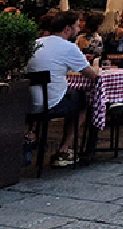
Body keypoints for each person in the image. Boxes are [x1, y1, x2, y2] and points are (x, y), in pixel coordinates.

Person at [25, 11, 98, 168]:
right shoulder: (68, 47)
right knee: (84, 100)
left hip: (27, 104)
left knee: (72, 95)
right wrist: (97, 67)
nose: (79, 30)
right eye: (77, 26)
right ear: (67, 29)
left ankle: (30, 135)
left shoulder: (35, 43)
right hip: (50, 104)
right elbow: (91, 75)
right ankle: (64, 149)